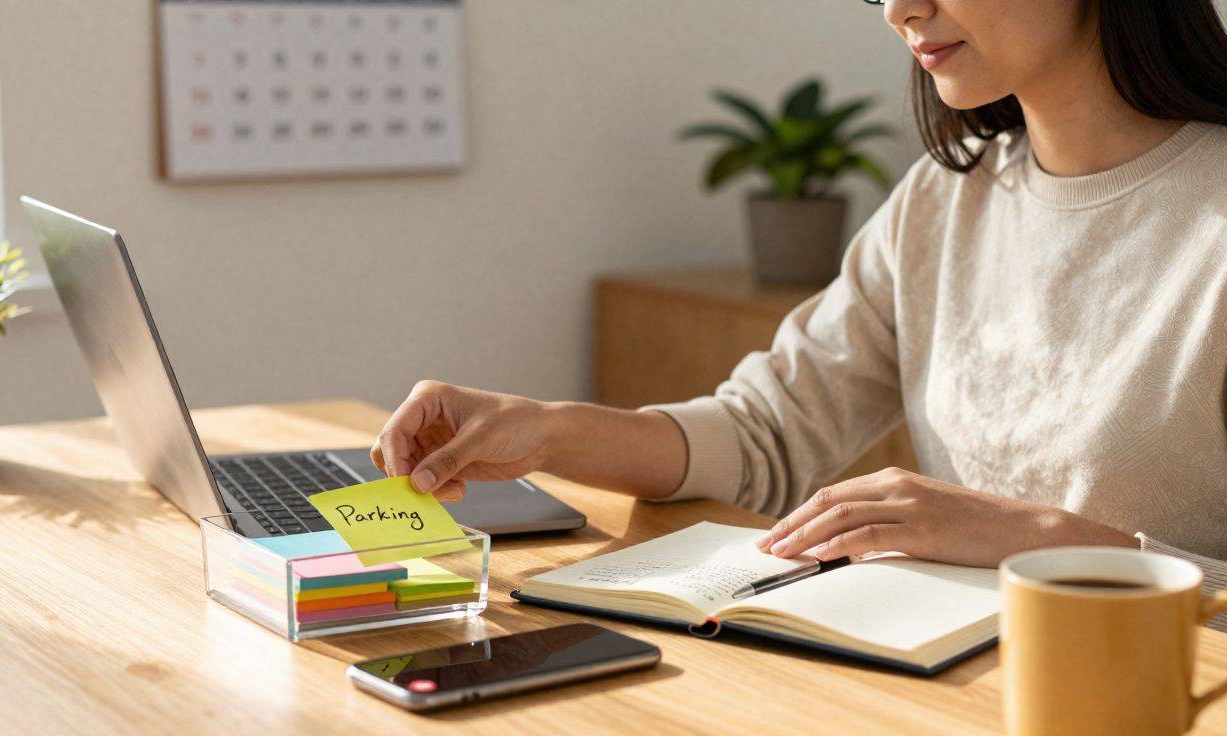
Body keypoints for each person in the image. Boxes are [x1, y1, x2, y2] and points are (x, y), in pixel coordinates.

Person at [371, 0, 1227, 603]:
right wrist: (545, 429)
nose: (900, 9)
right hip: (955, 678)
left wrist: (1039, 539)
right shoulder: (941, 203)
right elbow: (764, 434)